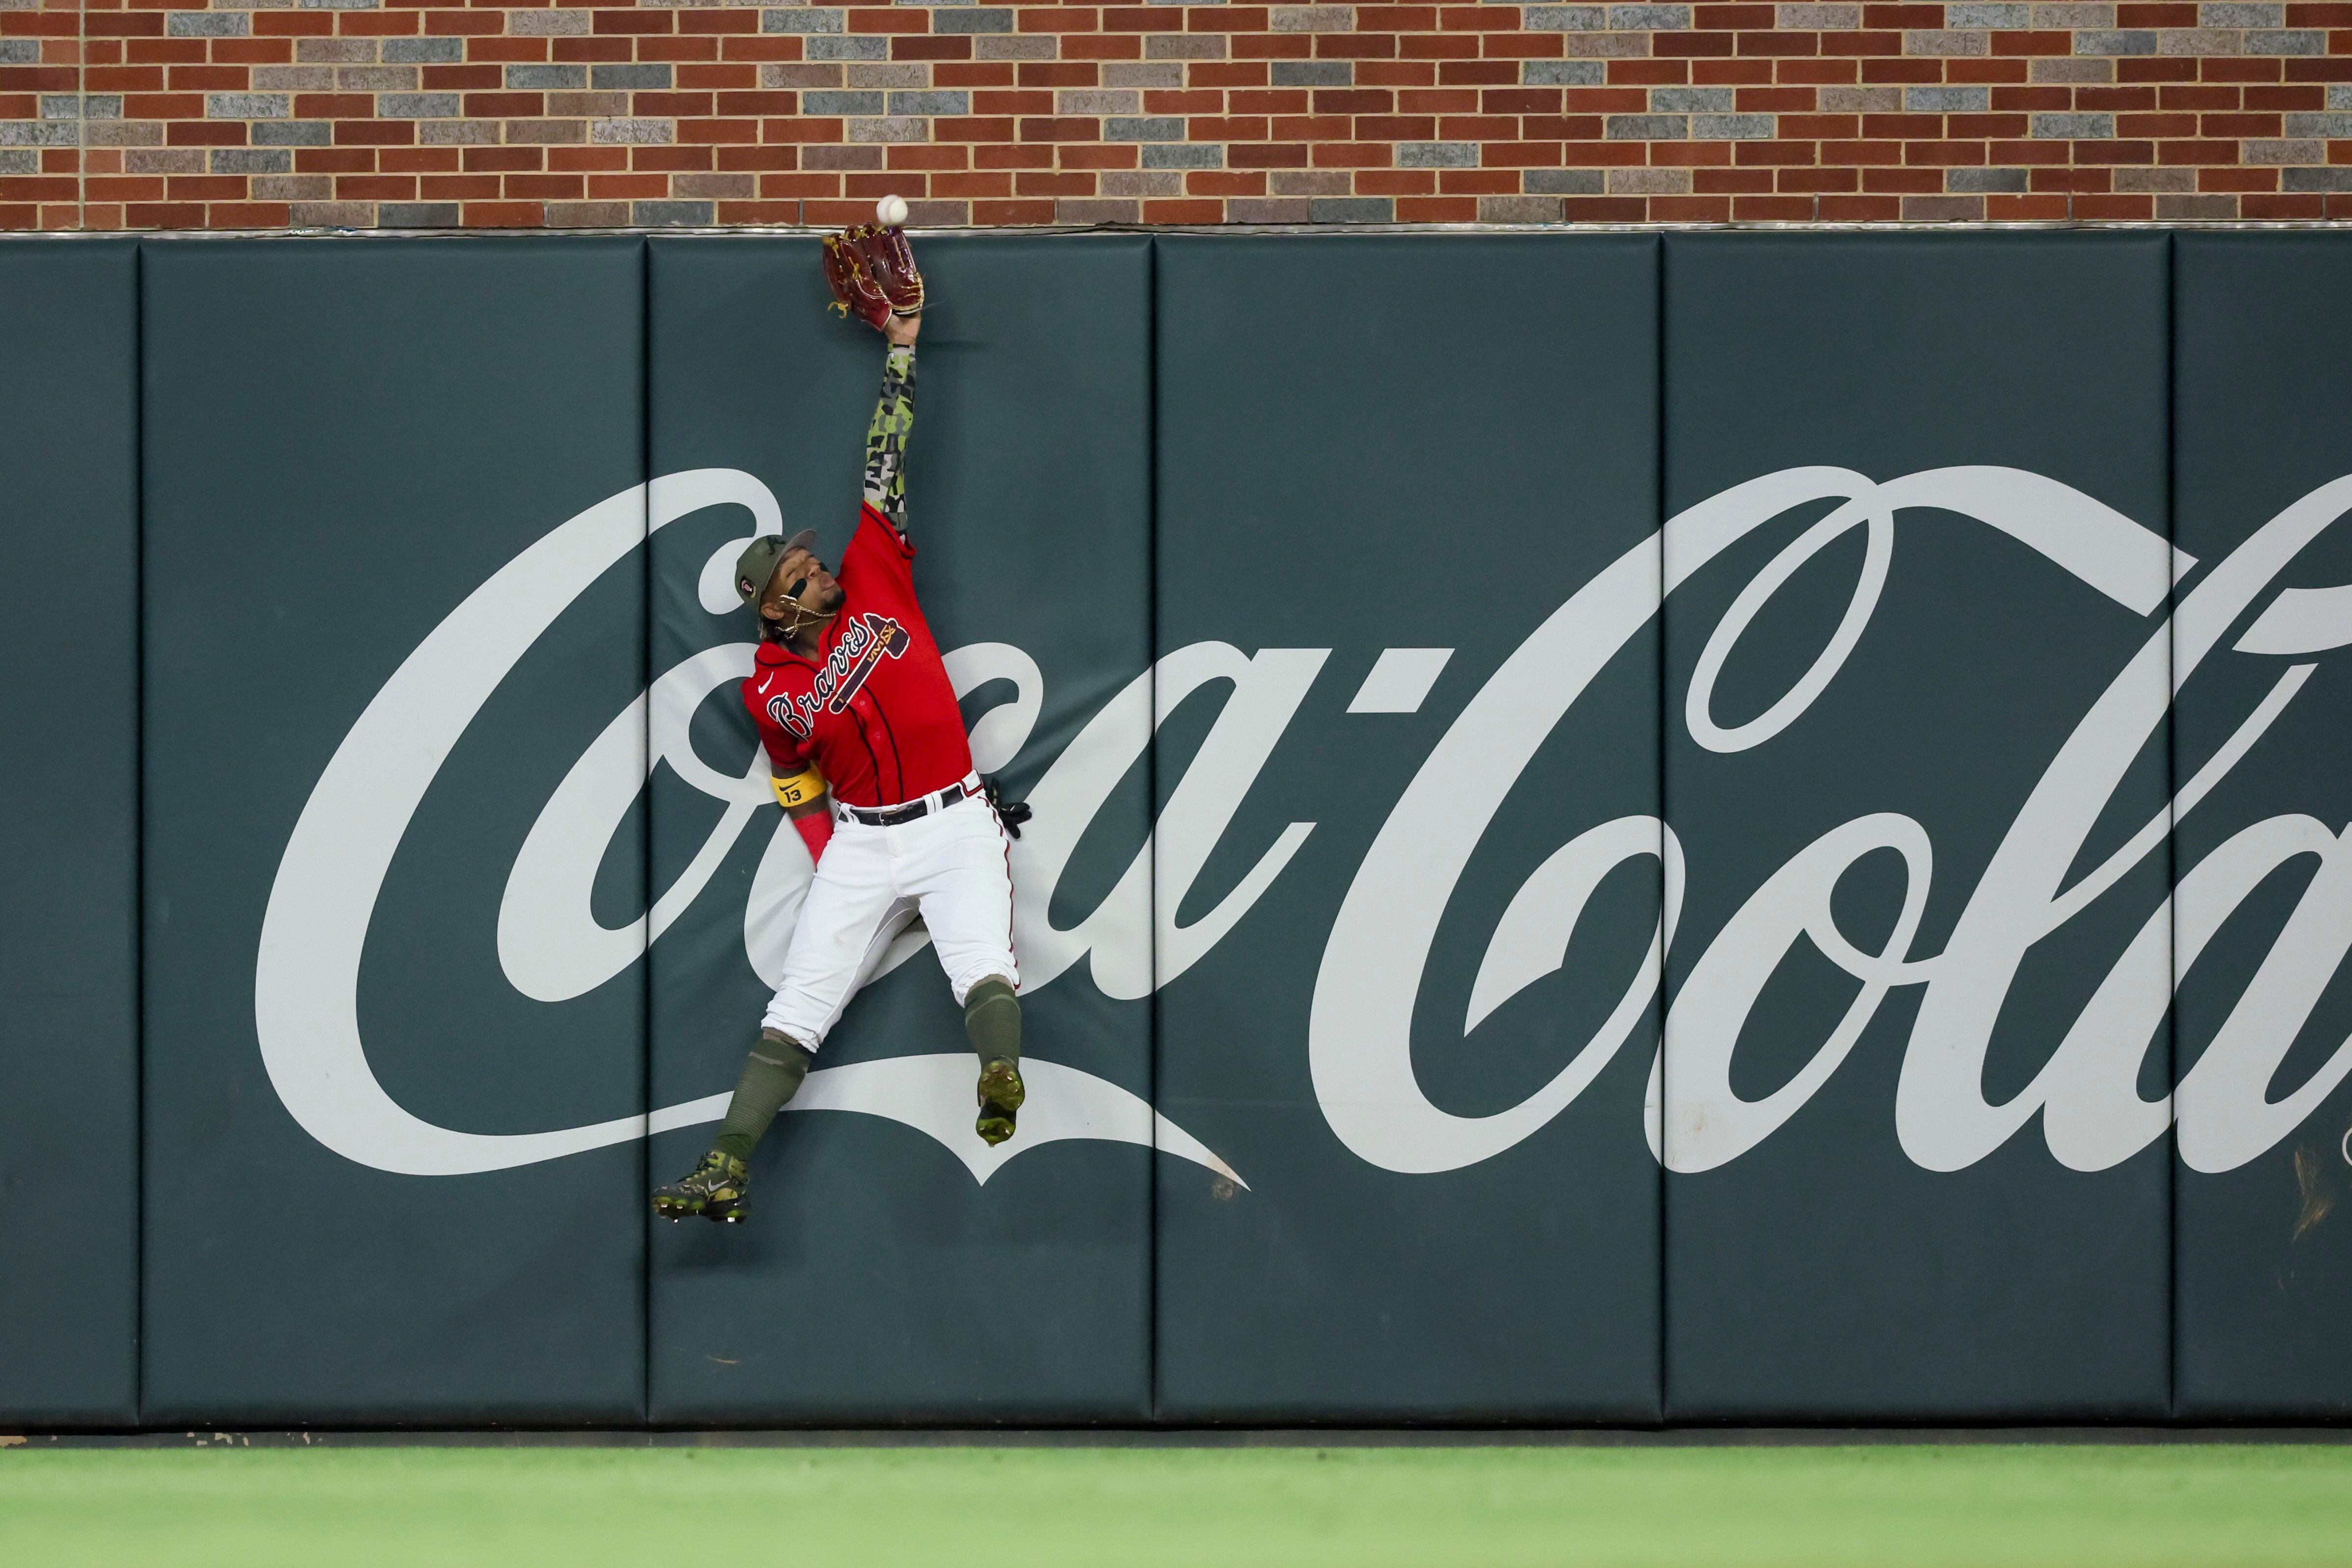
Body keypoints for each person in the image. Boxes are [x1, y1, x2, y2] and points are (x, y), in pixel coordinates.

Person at [653, 286, 1025, 1225]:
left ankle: (1001, 1079)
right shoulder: (768, 690)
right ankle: (727, 1164)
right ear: (774, 608)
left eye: (809, 560)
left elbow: (885, 463)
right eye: (795, 573)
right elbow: (794, 776)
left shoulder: (872, 571)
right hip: (860, 843)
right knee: (801, 1001)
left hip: (952, 816)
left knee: (982, 960)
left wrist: (899, 353)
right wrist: (830, 858)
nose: (816, 567)